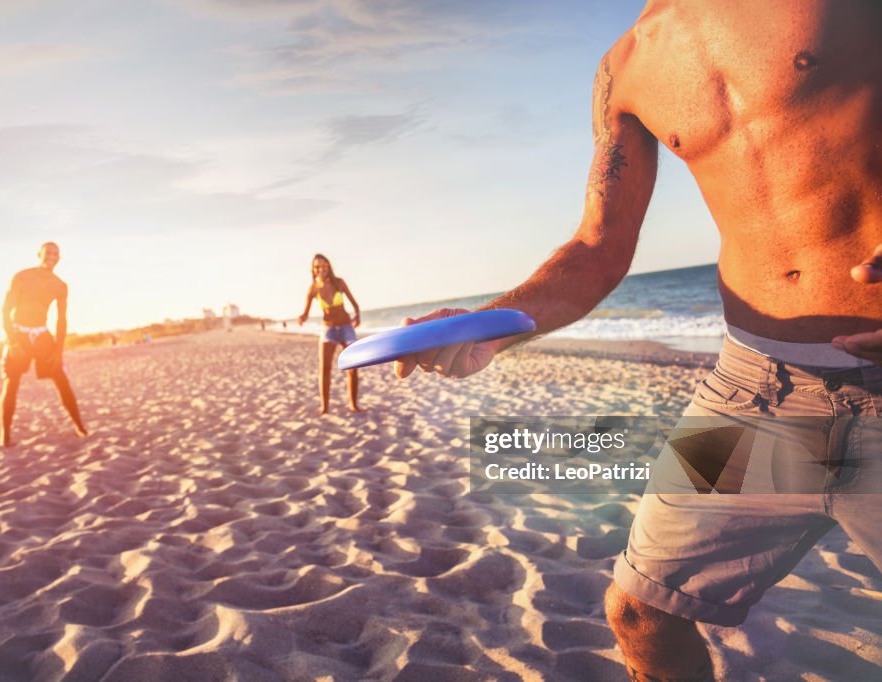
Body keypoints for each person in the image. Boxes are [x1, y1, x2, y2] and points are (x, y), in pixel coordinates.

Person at [395, 2, 882, 680]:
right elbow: (599, 245)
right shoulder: (623, 68)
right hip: (750, 393)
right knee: (639, 613)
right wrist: (493, 327)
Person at [0, 242, 87, 447]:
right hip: (18, 334)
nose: (52, 257)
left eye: (56, 254)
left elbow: (61, 320)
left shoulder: (60, 285)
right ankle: (5, 436)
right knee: (10, 384)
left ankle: (80, 427)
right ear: (39, 254)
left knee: (63, 382)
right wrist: (12, 342)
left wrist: (58, 351)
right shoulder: (21, 277)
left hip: (41, 335)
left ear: (60, 258)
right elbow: (5, 310)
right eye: (48, 253)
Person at [298, 254, 362, 414]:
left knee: (353, 367)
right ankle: (324, 407)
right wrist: (302, 317)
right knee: (324, 368)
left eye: (324, 265)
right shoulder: (313, 288)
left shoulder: (339, 282)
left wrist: (357, 316)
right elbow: (305, 312)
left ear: (329, 266)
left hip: (346, 326)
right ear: (313, 270)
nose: (321, 269)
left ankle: (353, 404)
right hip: (329, 330)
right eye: (317, 267)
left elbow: (354, 303)